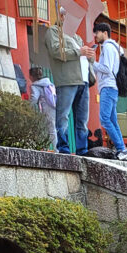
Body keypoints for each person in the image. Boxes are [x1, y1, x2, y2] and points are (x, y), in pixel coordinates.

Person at [45, 11, 92, 155]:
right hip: (67, 79)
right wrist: (79, 51)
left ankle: (82, 150)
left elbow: (84, 56)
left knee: (82, 119)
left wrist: (90, 56)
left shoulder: (77, 37)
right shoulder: (53, 31)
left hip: (83, 80)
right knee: (63, 116)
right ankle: (64, 148)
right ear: (62, 16)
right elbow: (56, 51)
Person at [93, 22, 127, 160]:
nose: (95, 36)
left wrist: (92, 62)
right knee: (112, 120)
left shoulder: (107, 47)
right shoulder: (114, 48)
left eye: (97, 32)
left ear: (105, 33)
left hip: (108, 87)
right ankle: (122, 149)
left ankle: (121, 147)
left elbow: (106, 69)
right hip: (112, 87)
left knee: (105, 119)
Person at [28, 66, 57, 150]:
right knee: (53, 128)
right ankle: (52, 148)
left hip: (46, 108)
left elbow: (34, 97)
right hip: (54, 106)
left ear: (31, 76)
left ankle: (55, 149)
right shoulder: (48, 83)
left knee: (50, 129)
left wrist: (27, 105)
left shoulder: (35, 86)